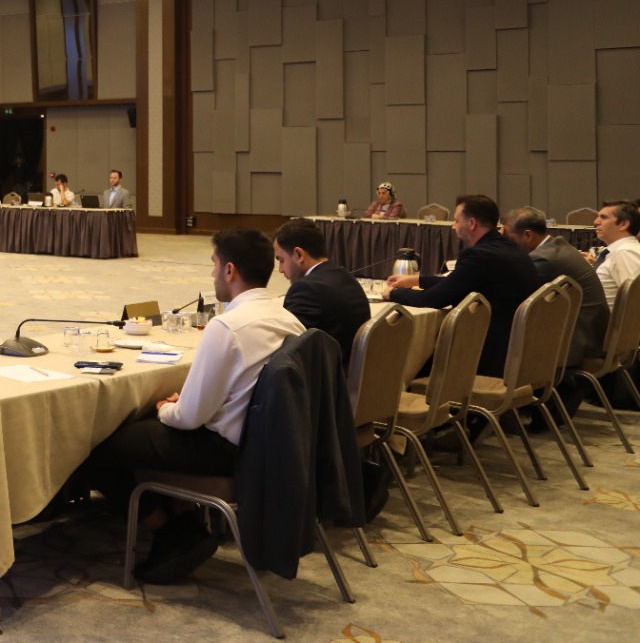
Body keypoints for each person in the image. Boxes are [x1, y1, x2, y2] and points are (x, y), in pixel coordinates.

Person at [84, 228, 303, 584]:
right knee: (146, 431)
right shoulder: (289, 320)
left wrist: (165, 408)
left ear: (230, 270)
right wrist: (184, 403)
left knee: (97, 447)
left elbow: (188, 419)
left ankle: (173, 532)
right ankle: (184, 518)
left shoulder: (227, 326)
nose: (212, 274)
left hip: (226, 451)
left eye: (214, 265)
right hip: (267, 447)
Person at [384, 195, 539, 377]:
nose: (453, 226)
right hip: (516, 353)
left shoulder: (479, 255)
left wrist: (393, 294)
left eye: (457, 221)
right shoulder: (509, 249)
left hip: (485, 359)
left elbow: (433, 299)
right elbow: (458, 282)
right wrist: (415, 280)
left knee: (407, 366)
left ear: (472, 223)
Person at [504, 206, 609, 421]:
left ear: (528, 235)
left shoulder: (543, 260)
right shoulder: (557, 245)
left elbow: (513, 298)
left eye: (510, 238)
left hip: (579, 339)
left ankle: (498, 406)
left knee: (498, 334)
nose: (507, 244)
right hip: (591, 329)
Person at [271, 219, 370, 366]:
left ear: (299, 254)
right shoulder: (346, 277)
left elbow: (285, 352)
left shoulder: (306, 290)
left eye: (281, 260)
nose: (280, 269)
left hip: (327, 377)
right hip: (352, 371)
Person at [590, 200, 640, 308]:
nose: (596, 222)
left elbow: (635, 300)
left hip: (606, 319)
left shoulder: (625, 253)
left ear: (623, 224)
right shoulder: (618, 251)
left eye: (604, 217)